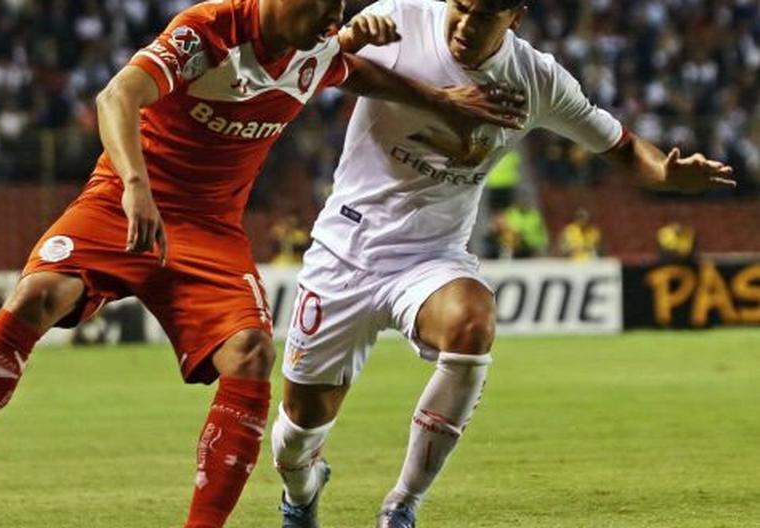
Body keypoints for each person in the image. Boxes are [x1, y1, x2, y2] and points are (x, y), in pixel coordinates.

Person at [0, 1, 527, 526]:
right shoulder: (209, 30)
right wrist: (136, 185)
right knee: (35, 297)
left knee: (250, 353)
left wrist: (445, 102)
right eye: (325, 5)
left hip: (212, 230)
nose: (335, 19)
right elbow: (117, 97)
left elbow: (360, 73)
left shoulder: (317, 45)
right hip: (122, 199)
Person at [271, 1, 736, 527]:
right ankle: (301, 490)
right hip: (343, 251)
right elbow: (300, 68)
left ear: (515, 17)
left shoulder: (536, 80)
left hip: (431, 257)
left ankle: (402, 506)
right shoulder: (397, 17)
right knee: (297, 435)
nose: (464, 26)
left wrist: (669, 175)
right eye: (460, 8)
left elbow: (625, 149)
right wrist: (346, 43)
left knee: (473, 323)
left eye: (484, 16)